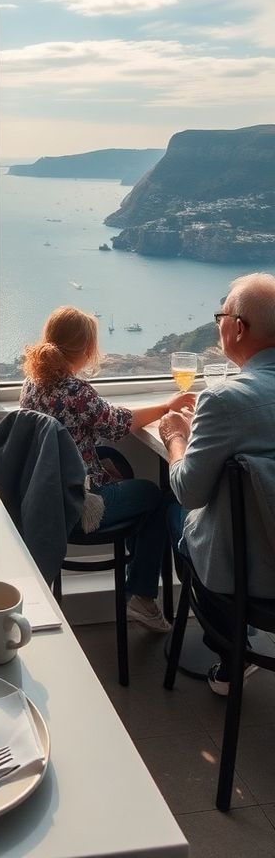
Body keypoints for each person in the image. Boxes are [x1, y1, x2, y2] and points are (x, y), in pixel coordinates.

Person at [20, 306, 195, 632]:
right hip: (79, 503)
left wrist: (97, 464)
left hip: (46, 497)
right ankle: (141, 595)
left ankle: (138, 590)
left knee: (121, 472)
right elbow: (118, 424)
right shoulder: (77, 393)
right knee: (155, 497)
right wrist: (166, 407)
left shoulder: (33, 384)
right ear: (86, 350)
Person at [159, 272, 275, 695]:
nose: (217, 324)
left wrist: (176, 438)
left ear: (238, 328)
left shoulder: (225, 399)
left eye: (220, 315)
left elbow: (189, 491)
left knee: (174, 512)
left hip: (256, 581)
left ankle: (231, 650)